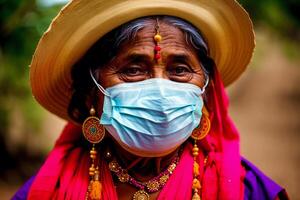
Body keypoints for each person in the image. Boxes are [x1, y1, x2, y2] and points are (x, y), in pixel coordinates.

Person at [13, 0, 288, 200]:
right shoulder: (50, 189)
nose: (160, 89)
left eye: (180, 70)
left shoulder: (248, 191)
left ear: (205, 90)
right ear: (91, 91)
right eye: (133, 70)